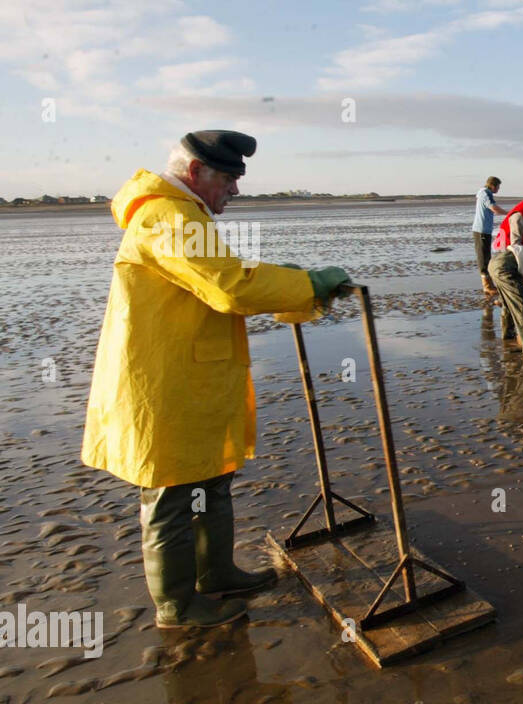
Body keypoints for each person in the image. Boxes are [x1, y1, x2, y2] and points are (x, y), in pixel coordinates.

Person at [81, 131, 352, 629]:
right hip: (162, 383)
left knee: (210, 476)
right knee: (170, 493)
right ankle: (178, 607)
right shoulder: (167, 217)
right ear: (194, 173)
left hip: (192, 377)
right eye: (227, 178)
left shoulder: (184, 215)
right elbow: (228, 286)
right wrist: (307, 284)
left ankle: (217, 574)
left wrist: (291, 282)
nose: (234, 189)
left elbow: (221, 274)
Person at [472, 176, 507, 297]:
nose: (498, 189)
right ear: (493, 185)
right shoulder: (485, 194)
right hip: (481, 230)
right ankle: (487, 286)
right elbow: (494, 208)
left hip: (485, 230)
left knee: (487, 256)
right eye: (498, 186)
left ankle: (489, 284)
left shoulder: (485, 193)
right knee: (483, 257)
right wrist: (509, 213)